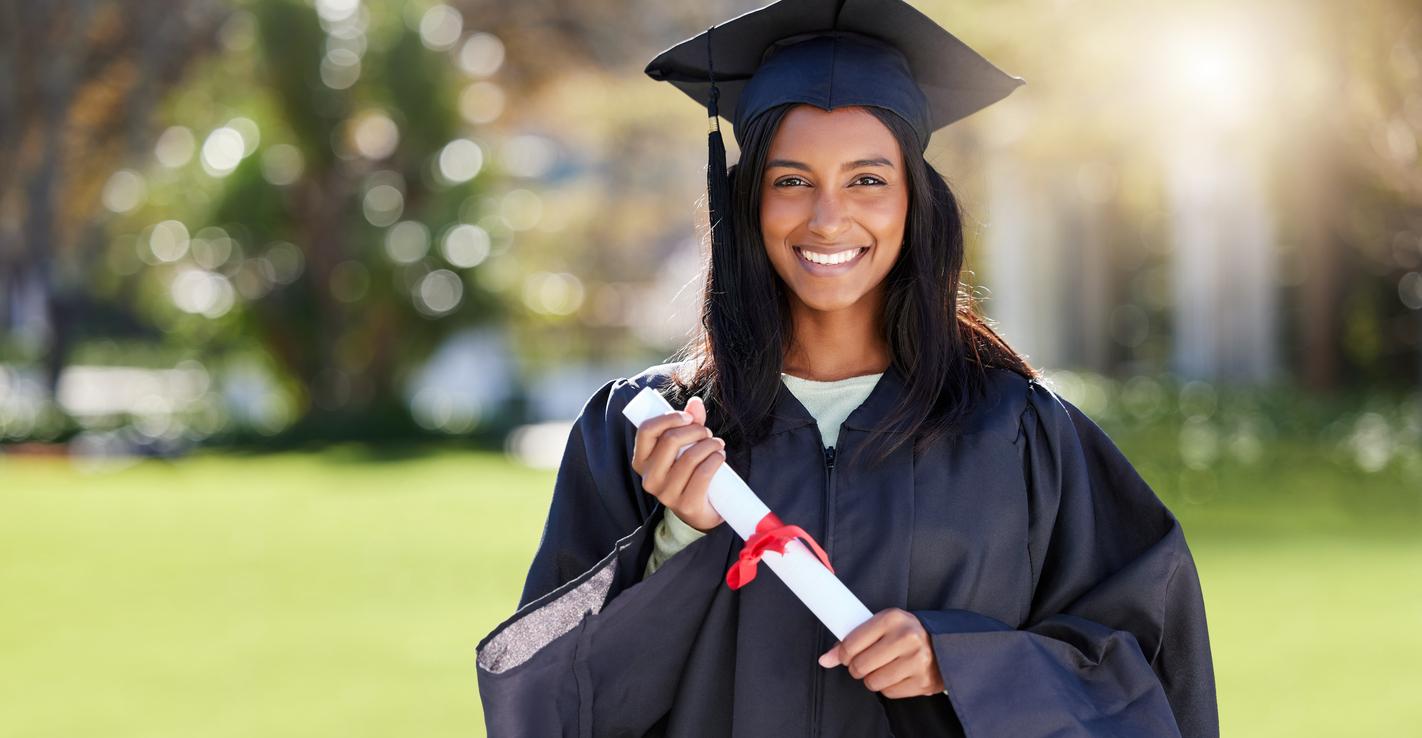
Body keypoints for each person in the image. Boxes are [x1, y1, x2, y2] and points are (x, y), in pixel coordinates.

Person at [475, 1, 1219, 736]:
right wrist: (680, 536)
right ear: (748, 202)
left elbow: (1142, 672)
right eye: (792, 180)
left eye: (867, 180)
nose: (828, 218)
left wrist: (959, 662)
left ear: (914, 203)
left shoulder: (1017, 433)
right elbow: (552, 704)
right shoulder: (647, 432)